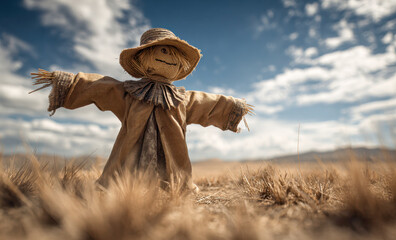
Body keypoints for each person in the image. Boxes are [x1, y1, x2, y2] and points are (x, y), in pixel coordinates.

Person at [31, 28, 253, 192]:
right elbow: (99, 85)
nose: (167, 56)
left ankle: (175, 188)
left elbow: (209, 103)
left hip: (173, 158)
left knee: (175, 176)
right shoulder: (128, 92)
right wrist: (66, 81)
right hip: (130, 154)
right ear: (142, 59)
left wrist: (233, 107)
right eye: (162, 50)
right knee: (120, 177)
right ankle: (118, 186)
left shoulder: (182, 99)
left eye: (172, 53)